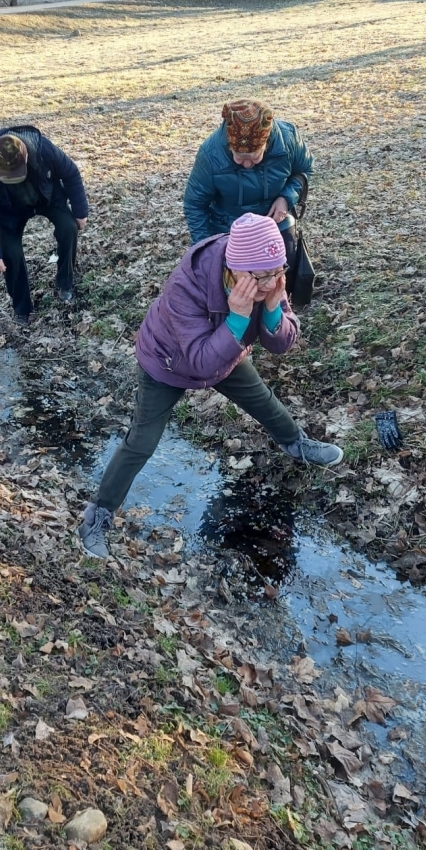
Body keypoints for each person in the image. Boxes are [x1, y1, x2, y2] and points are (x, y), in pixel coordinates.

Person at [78, 213, 343, 559]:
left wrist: (275, 310)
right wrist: (237, 317)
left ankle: (296, 444)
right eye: (262, 277)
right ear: (235, 270)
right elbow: (201, 361)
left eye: (278, 272)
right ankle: (98, 516)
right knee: (141, 442)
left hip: (226, 352)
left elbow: (280, 344)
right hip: (168, 362)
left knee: (262, 399)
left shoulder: (268, 274)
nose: (270, 283)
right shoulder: (186, 285)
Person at [0, 124, 90, 320]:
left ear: (25, 157)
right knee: (10, 254)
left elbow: (71, 173)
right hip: (9, 211)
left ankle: (65, 282)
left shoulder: (44, 150)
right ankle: (22, 309)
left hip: (46, 197)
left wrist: (80, 211)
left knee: (69, 228)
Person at [183, 99, 312, 272]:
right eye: (239, 158)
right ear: (229, 146)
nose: (247, 164)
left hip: (274, 223)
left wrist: (286, 198)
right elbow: (195, 204)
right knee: (239, 283)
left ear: (266, 144)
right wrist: (205, 249)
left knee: (283, 269)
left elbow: (304, 170)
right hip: (228, 227)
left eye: (254, 157)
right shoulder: (210, 154)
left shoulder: (287, 139)